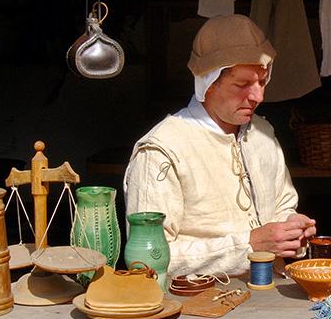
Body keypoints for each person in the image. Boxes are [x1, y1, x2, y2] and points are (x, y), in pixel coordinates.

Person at [123, 14, 317, 277]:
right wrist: (248, 246)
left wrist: (291, 228)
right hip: (196, 299)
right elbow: (147, 260)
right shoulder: (162, 150)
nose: (258, 96)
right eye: (243, 84)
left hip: (269, 292)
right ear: (208, 82)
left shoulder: (262, 133)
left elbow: (282, 205)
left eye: (262, 81)